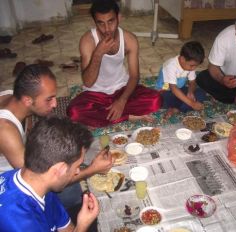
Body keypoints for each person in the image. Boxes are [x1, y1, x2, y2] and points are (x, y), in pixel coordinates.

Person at [0, 64, 113, 230]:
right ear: (27, 100)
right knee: (72, 190)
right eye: (49, 99)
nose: (55, 104)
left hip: (29, 172)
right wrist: (92, 169)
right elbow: (43, 174)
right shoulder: (5, 129)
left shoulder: (13, 97)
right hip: (14, 184)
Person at [67, 0, 162, 128]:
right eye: (101, 23)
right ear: (94, 22)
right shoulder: (87, 41)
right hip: (95, 93)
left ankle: (110, 114)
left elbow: (134, 76)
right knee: (74, 113)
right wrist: (98, 53)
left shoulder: (129, 39)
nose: (106, 29)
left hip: (121, 88)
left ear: (119, 18)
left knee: (156, 100)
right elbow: (88, 82)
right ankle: (127, 116)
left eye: (111, 22)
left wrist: (122, 100)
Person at [0, 117, 99, 231]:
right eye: (77, 166)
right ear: (60, 169)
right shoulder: (17, 223)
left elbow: (65, 228)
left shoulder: (41, 183)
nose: (77, 171)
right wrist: (82, 226)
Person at [155, 41, 206, 119]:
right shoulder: (171, 66)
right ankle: (180, 107)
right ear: (182, 59)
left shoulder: (190, 65)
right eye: (192, 66)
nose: (193, 68)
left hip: (180, 90)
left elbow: (192, 81)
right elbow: (173, 88)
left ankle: (176, 108)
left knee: (201, 93)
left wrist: (190, 92)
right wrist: (191, 103)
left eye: (196, 66)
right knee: (161, 100)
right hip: (165, 91)